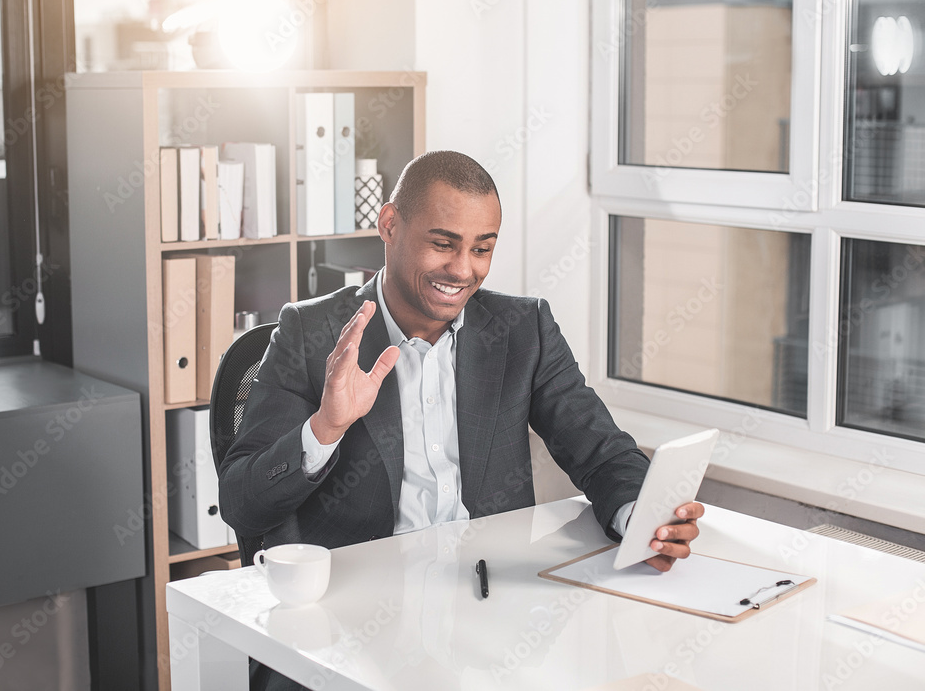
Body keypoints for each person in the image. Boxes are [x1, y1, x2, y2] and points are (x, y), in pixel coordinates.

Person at [221, 150, 703, 690]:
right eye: (443, 243)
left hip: (491, 617)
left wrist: (643, 520)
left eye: (482, 248)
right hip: (352, 626)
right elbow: (242, 500)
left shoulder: (524, 329)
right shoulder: (311, 334)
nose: (462, 269)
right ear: (389, 225)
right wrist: (325, 429)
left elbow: (602, 450)